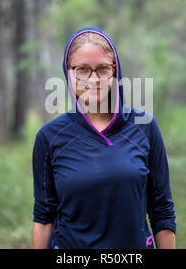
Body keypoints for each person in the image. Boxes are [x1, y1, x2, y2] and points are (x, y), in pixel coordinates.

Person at [31, 27, 176, 249]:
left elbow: (161, 210)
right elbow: (44, 218)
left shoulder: (143, 127)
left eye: (102, 69)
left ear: (115, 71)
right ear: (68, 72)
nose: (94, 78)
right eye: (82, 69)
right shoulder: (50, 137)